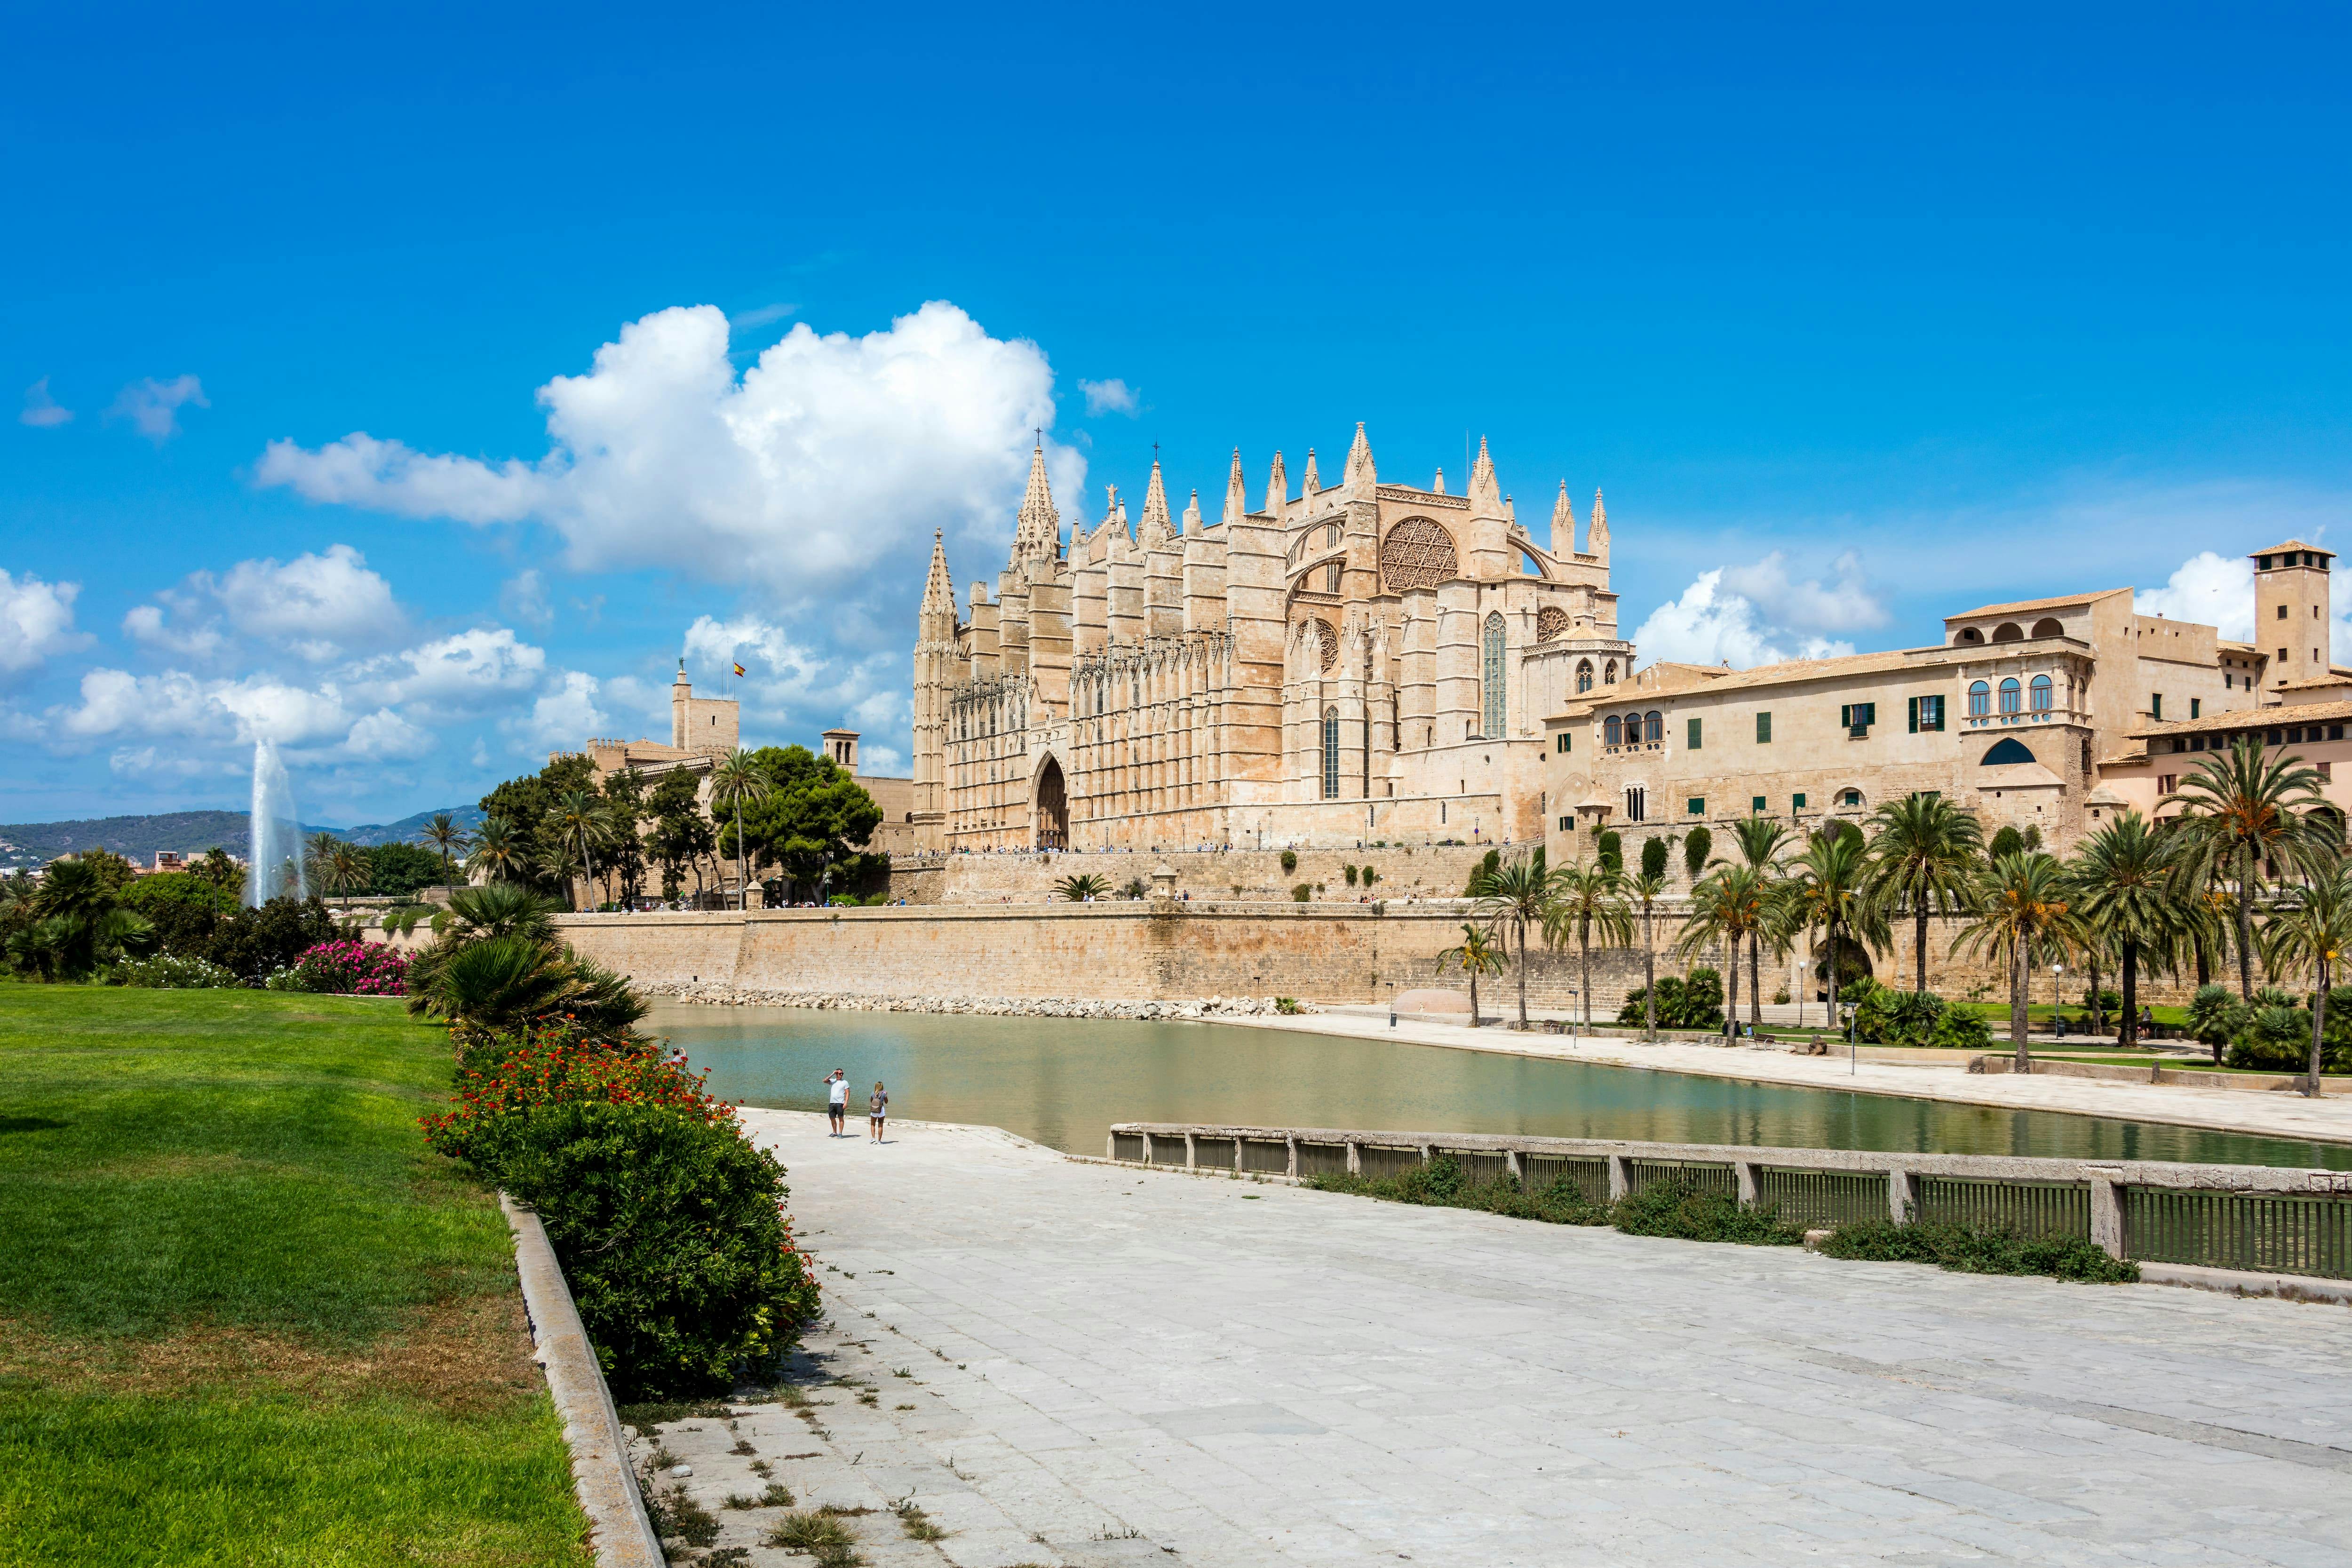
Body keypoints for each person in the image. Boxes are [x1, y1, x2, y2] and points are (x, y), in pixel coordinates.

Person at [823, 1069, 848, 1137]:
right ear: (837, 1074)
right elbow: (825, 1081)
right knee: (832, 1118)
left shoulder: (845, 1082)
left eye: (842, 1073)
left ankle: (840, 1133)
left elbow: (847, 1093)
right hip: (832, 1103)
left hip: (840, 1103)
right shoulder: (833, 1081)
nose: (841, 1075)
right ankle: (835, 1132)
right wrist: (833, 1074)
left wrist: (846, 1103)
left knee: (841, 1118)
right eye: (840, 1073)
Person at [868, 1080, 889, 1144]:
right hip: (881, 1110)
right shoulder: (884, 1094)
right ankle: (879, 1141)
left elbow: (871, 1101)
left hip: (874, 1110)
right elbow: (886, 1102)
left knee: (872, 1124)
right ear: (882, 1087)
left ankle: (873, 1138)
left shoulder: (872, 1093)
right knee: (880, 1126)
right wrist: (886, 1095)